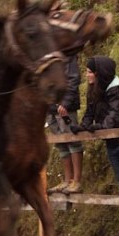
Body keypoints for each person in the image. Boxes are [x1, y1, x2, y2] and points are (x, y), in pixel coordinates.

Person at [71, 56, 119, 222]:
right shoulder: (94, 90)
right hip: (111, 143)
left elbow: (113, 116)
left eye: (90, 72)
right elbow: (89, 113)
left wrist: (98, 127)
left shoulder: (117, 90)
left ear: (99, 73)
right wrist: (82, 126)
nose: (87, 75)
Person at [47, 54, 84, 193]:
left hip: (65, 106)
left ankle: (77, 181)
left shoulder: (68, 56)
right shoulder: (44, 56)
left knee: (72, 140)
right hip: (50, 107)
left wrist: (66, 103)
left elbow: (74, 79)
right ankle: (67, 180)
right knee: (60, 143)